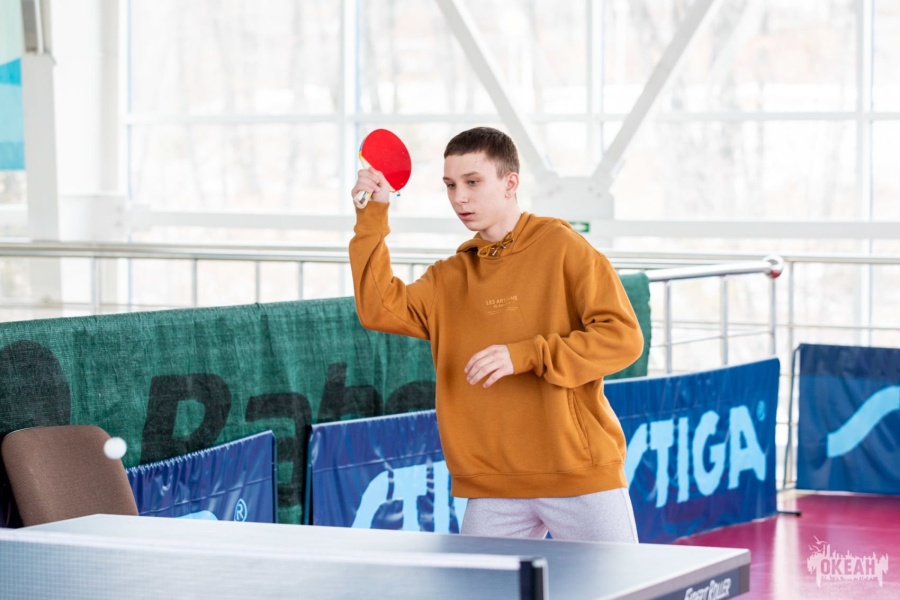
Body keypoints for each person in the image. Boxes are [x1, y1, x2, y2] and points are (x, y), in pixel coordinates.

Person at [349, 126, 644, 542]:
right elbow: (378, 307)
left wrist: (526, 355)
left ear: (510, 183)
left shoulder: (563, 247)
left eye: (473, 182)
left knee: (621, 579)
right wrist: (373, 215)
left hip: (578, 473)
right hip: (493, 484)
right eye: (451, 185)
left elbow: (623, 338)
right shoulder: (449, 277)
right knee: (480, 580)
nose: (459, 198)